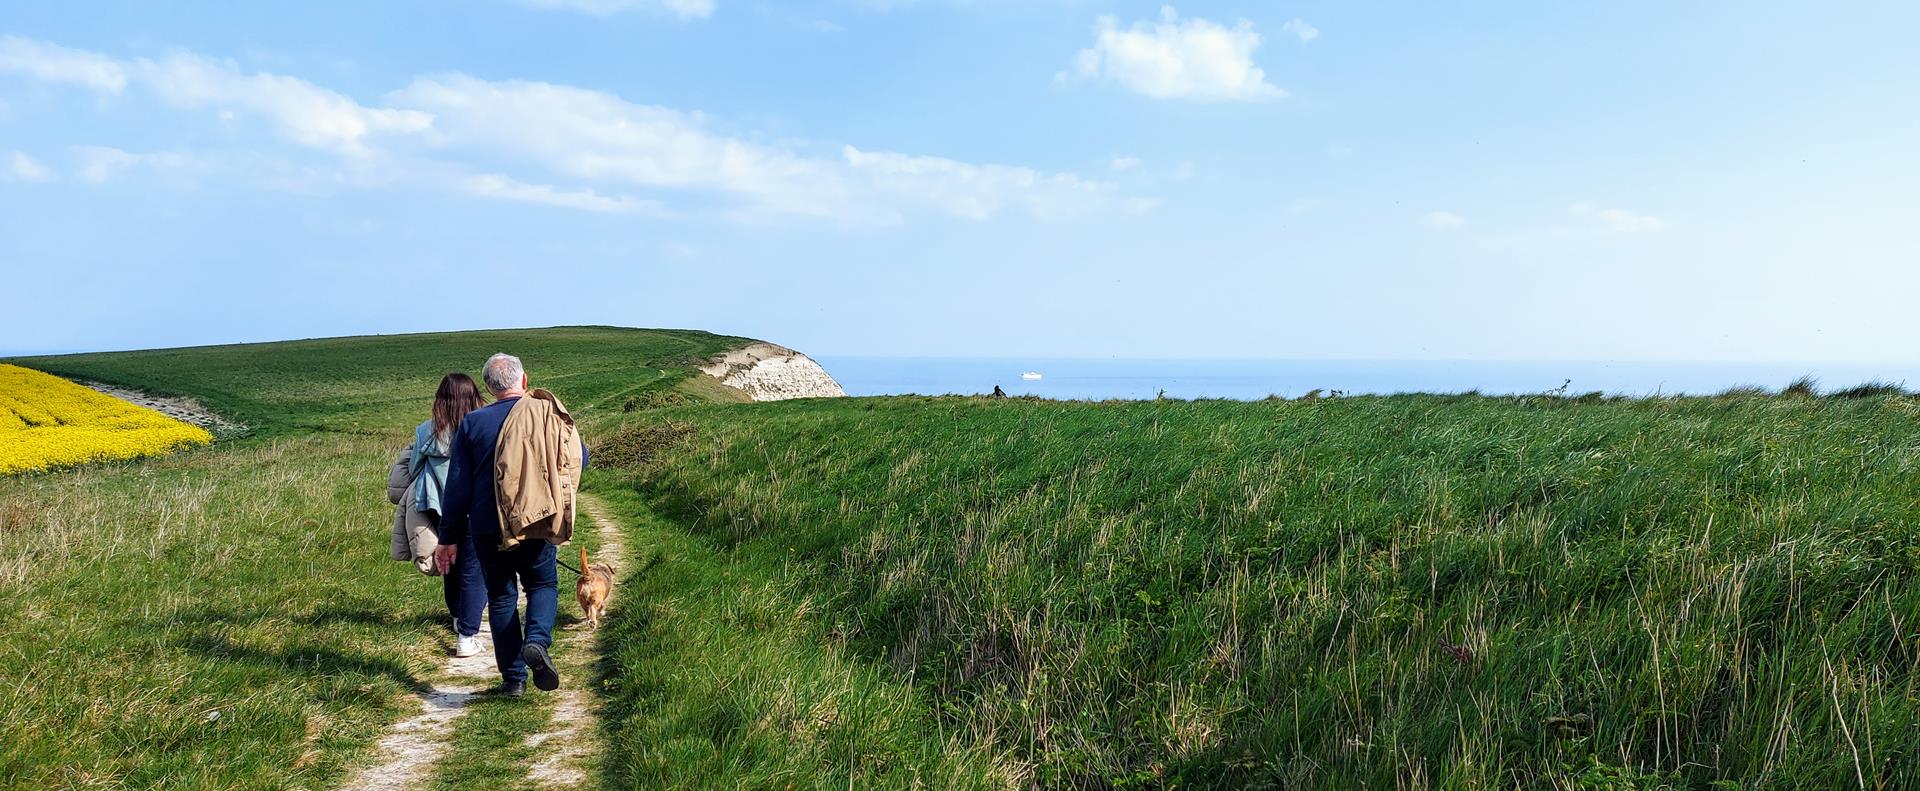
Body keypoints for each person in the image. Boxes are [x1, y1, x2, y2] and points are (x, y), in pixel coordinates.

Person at [435, 354, 587, 696]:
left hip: (488, 526)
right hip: (540, 517)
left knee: (502, 598)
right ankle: (536, 641)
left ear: (488, 388)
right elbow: (581, 456)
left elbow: (457, 486)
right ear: (524, 379)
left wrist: (448, 536)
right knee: (542, 584)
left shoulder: (473, 423)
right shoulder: (547, 413)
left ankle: (513, 680)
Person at [412, 373, 487, 659]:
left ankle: (457, 615)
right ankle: (467, 633)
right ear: (473, 396)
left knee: (448, 558)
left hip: (437, 504)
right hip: (473, 505)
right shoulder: (480, 427)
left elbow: (416, 466)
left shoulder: (425, 431)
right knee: (473, 566)